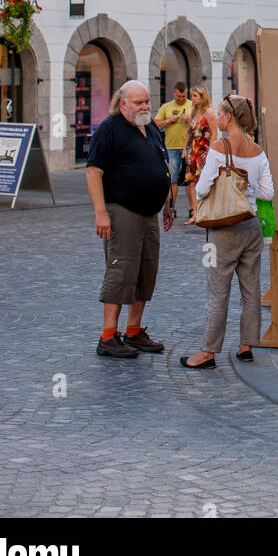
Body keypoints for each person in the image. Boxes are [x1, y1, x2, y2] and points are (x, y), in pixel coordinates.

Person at [180, 94, 274, 369]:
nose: (217, 118)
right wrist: (249, 190)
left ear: (229, 117)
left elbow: (202, 187)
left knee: (218, 290)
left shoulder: (220, 147)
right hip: (252, 225)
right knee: (251, 289)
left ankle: (208, 352)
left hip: (224, 228)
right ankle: (247, 345)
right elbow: (268, 192)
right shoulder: (258, 150)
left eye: (220, 114)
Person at [86, 80, 173, 359]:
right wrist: (101, 212)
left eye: (147, 101)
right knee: (121, 271)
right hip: (122, 210)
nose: (145, 106)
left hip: (150, 213)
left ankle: (133, 331)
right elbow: (93, 172)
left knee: (146, 272)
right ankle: (108, 336)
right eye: (139, 102)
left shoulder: (150, 128)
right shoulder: (109, 129)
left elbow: (161, 165)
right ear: (122, 104)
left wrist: (168, 204)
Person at [154, 82, 193, 216]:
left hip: (189, 148)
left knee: (190, 180)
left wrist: (189, 121)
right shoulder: (166, 106)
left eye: (183, 96)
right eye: (178, 96)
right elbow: (156, 125)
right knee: (172, 180)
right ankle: (172, 208)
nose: (181, 99)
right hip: (171, 147)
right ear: (174, 93)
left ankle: (193, 209)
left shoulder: (192, 106)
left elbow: (200, 125)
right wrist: (169, 120)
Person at [182, 86, 213, 225]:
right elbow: (189, 132)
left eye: (194, 96)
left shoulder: (209, 113)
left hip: (204, 151)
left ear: (202, 97)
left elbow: (214, 133)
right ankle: (195, 213)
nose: (192, 98)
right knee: (192, 182)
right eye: (192, 96)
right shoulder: (193, 113)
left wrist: (211, 152)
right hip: (194, 152)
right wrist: (184, 150)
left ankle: (205, 212)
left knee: (204, 183)